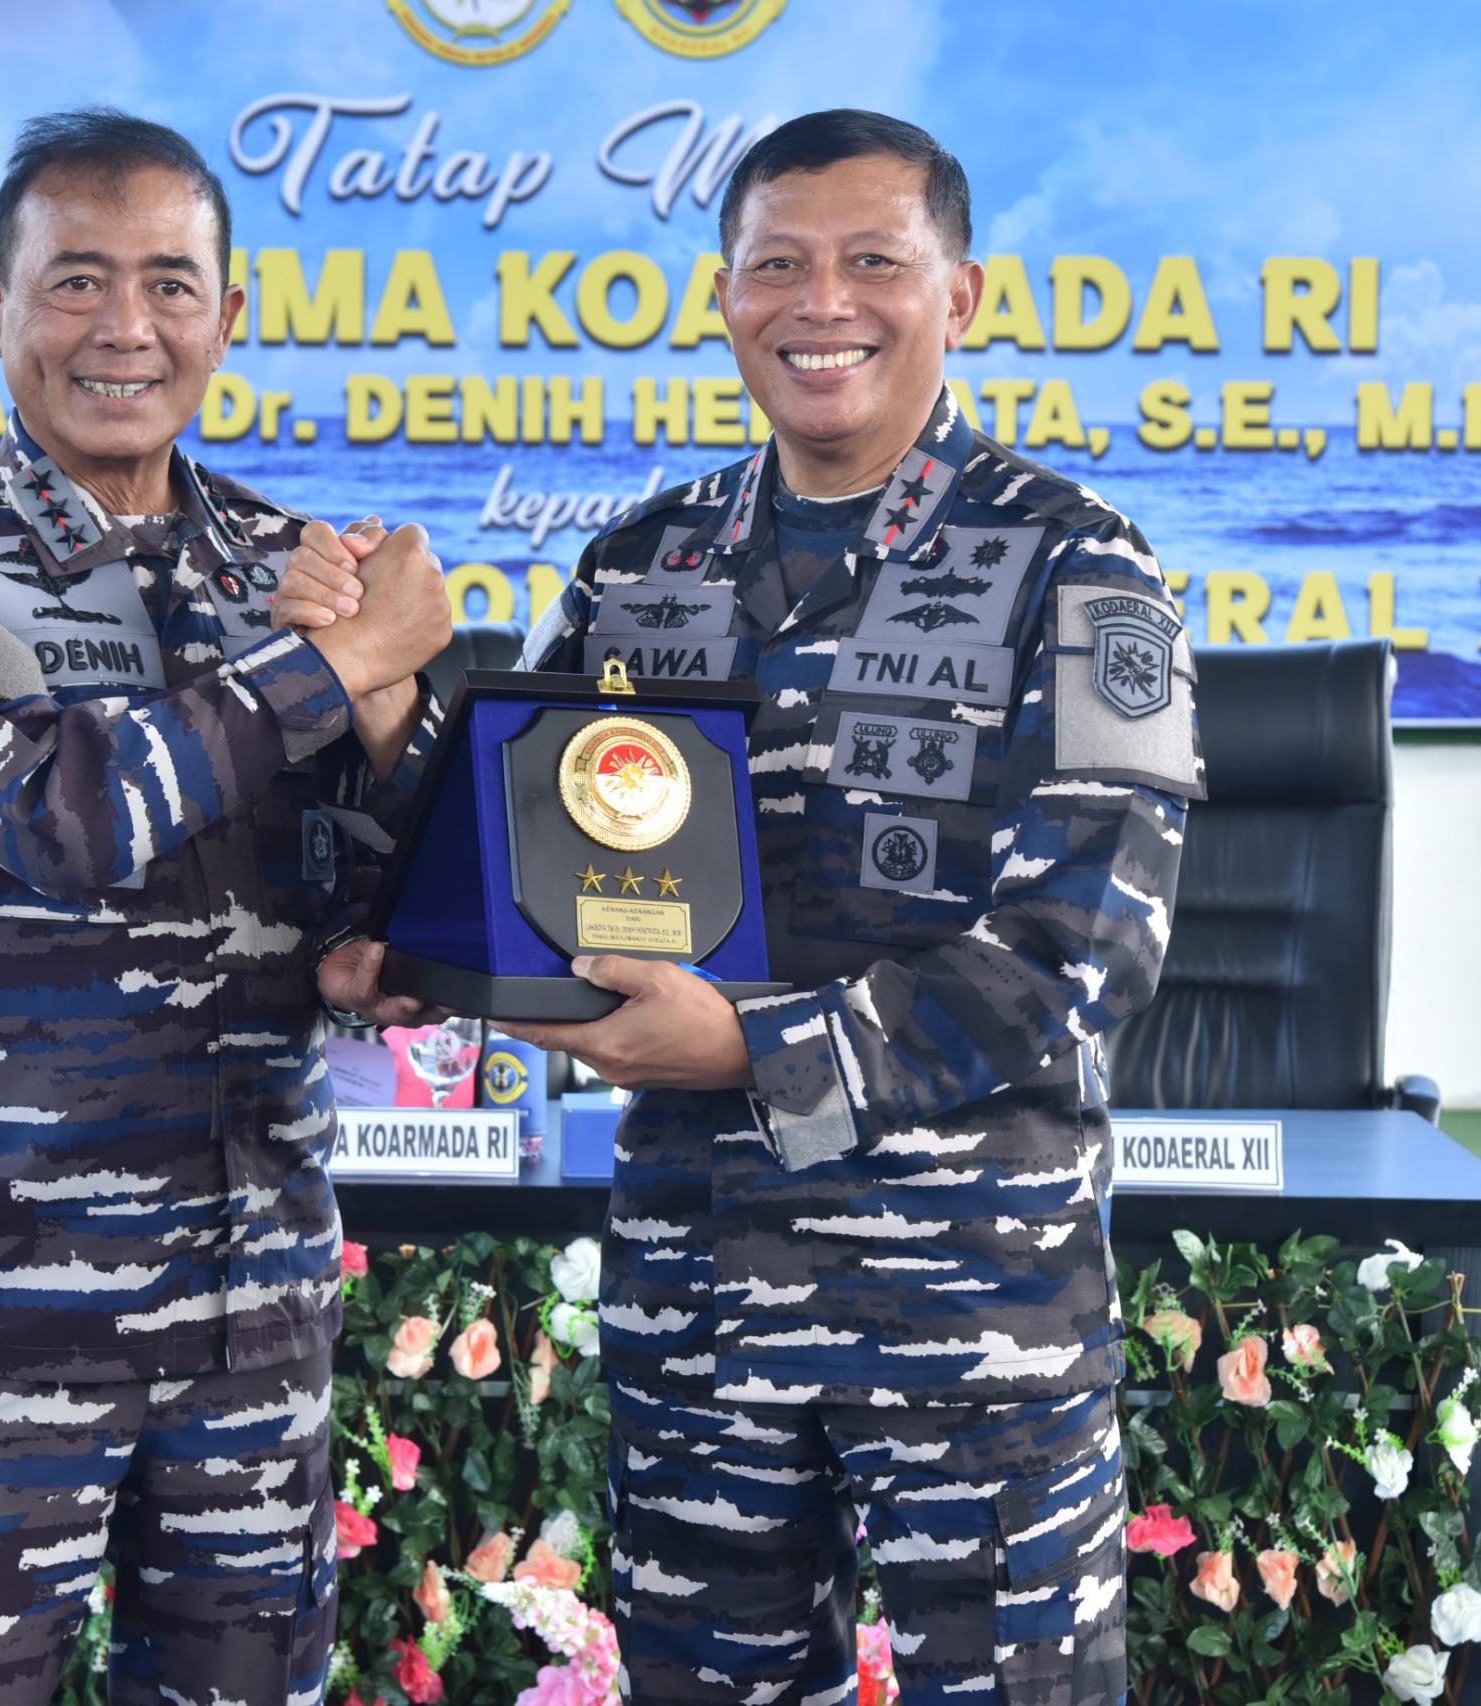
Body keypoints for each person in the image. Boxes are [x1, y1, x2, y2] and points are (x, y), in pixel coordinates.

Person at [285, 109, 1199, 1704]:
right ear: (724, 298)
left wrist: (748, 1048)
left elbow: (1081, 952)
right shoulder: (644, 564)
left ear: (962, 295)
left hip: (967, 1313)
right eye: (777, 265)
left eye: (873, 262)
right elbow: (520, 842)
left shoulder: (1076, 567)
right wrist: (391, 762)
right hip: (699, 1292)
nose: (821, 303)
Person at [0, 106, 449, 1706]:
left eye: (169, 284)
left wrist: (392, 735)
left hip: (253, 1306)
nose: (125, 328)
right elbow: (64, 815)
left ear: (228, 315)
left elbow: (399, 882)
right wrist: (337, 663)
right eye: (76, 280)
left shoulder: (297, 568)